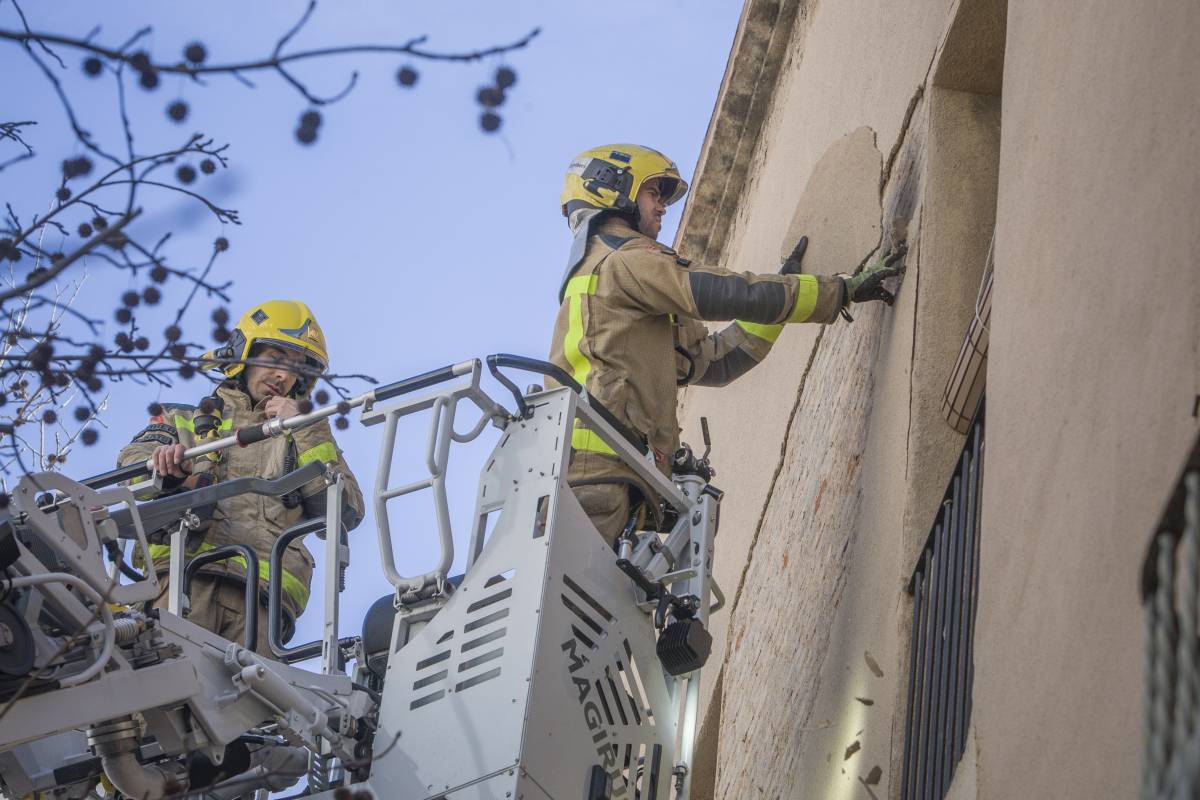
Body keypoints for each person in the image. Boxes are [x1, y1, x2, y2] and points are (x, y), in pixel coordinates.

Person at [550, 144, 906, 544]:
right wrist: (837, 291)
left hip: (609, 477)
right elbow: (721, 291)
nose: (662, 207)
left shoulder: (614, 292)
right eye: (653, 192)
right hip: (598, 476)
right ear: (610, 188)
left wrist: (785, 303)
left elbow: (715, 361)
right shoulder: (624, 259)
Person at [117, 300, 364, 653]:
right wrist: (169, 472)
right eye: (276, 359)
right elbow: (130, 470)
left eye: (295, 370)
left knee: (249, 690)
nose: (284, 376)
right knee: (162, 679)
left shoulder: (306, 433)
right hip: (181, 584)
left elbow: (345, 512)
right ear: (243, 354)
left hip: (262, 604)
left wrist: (307, 427)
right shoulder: (180, 420)